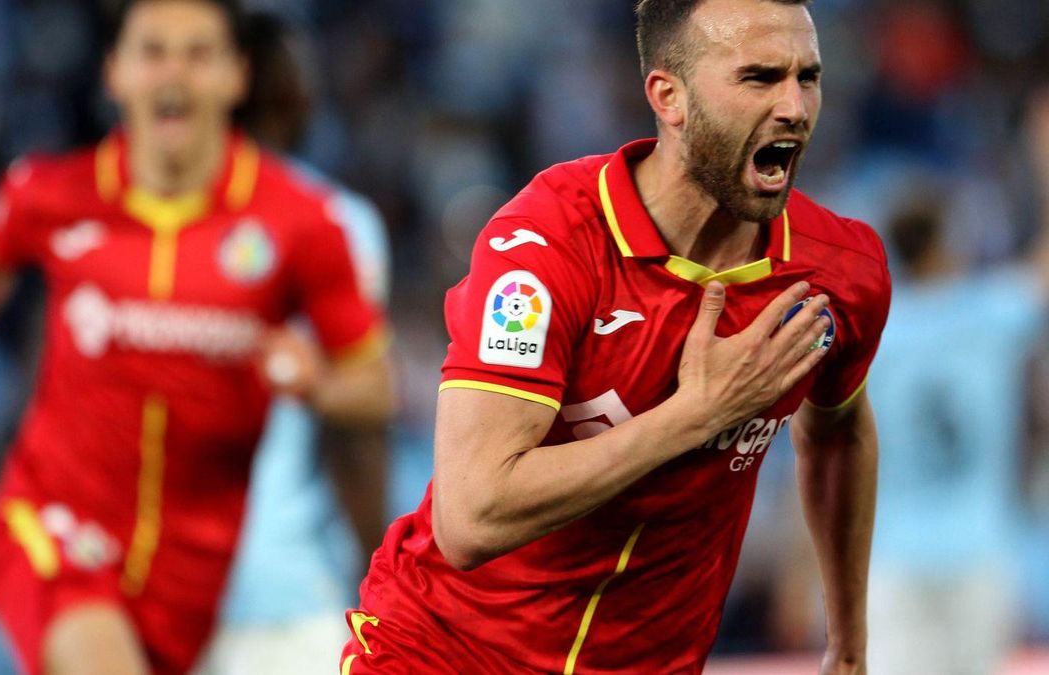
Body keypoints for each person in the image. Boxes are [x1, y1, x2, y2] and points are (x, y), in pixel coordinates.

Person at [342, 0, 890, 673]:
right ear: (670, 97)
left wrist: (850, 644)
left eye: (808, 77)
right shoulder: (547, 244)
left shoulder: (840, 270)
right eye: (759, 78)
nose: (795, 107)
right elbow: (472, 517)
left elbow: (839, 431)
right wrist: (695, 415)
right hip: (446, 652)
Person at [0, 1, 394, 673]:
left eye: (197, 54)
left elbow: (374, 391)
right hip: (61, 526)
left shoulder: (309, 224)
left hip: (204, 574)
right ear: (114, 72)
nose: (173, 72)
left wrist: (316, 383)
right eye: (152, 51)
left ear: (237, 76)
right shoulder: (56, 194)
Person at [200, 12, 392, 675]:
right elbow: (358, 437)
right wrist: (383, 596)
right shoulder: (337, 224)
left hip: (154, 589)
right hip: (286, 596)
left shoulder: (130, 221)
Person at [863, 93, 1049, 675]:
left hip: (892, 555)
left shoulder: (872, 334)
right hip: (981, 550)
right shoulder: (991, 312)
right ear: (945, 242)